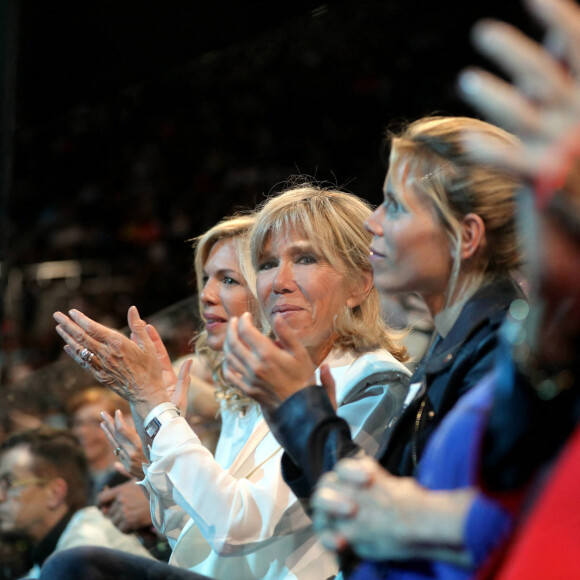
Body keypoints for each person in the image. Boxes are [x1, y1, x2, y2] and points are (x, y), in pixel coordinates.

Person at [48, 187, 411, 580]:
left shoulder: (377, 384)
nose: (279, 282)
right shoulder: (271, 381)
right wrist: (154, 430)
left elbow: (237, 527)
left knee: (78, 566)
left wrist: (155, 405)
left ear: (360, 284)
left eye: (305, 259)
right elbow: (193, 540)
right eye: (268, 265)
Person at [224, 117, 524, 578]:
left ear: (465, 236)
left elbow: (411, 542)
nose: (372, 223)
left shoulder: (500, 360)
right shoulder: (454, 348)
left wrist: (302, 416)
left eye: (395, 207)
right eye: (267, 264)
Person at [0, 427, 153, 578]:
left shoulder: (85, 547)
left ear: (54, 493)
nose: (1, 497)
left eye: (10, 483)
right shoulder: (53, 555)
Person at [68, 386, 132, 504]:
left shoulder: (132, 479)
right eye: (78, 423)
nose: (82, 431)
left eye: (95, 423)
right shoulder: (75, 483)